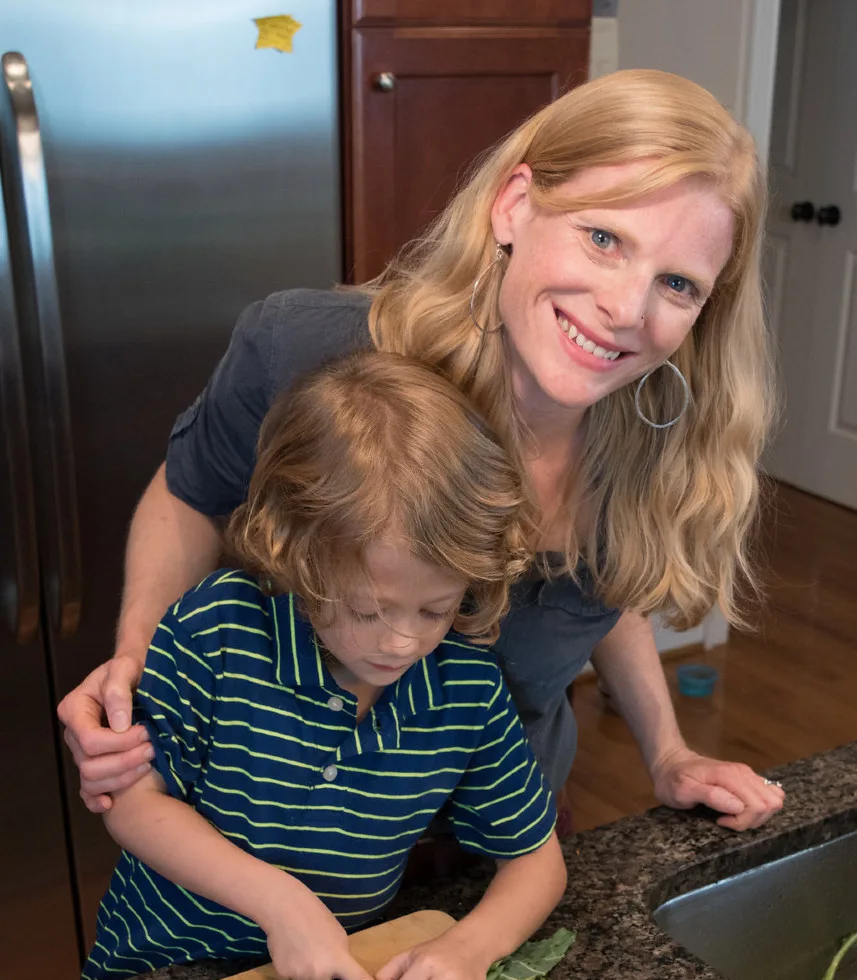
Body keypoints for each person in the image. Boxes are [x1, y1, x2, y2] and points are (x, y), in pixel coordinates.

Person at [59, 68, 785, 835]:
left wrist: (667, 752)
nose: (625, 311)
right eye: (603, 238)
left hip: (497, 850)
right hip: (263, 852)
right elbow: (188, 494)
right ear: (514, 206)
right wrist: (135, 664)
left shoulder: (646, 440)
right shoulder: (310, 354)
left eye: (676, 284)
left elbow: (601, 593)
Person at [80, 353, 565, 980]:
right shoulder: (218, 628)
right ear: (294, 550)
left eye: (434, 610)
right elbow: (132, 804)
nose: (401, 642)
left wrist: (469, 949)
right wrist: (282, 902)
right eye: (368, 611)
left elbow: (537, 862)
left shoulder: (465, 692)